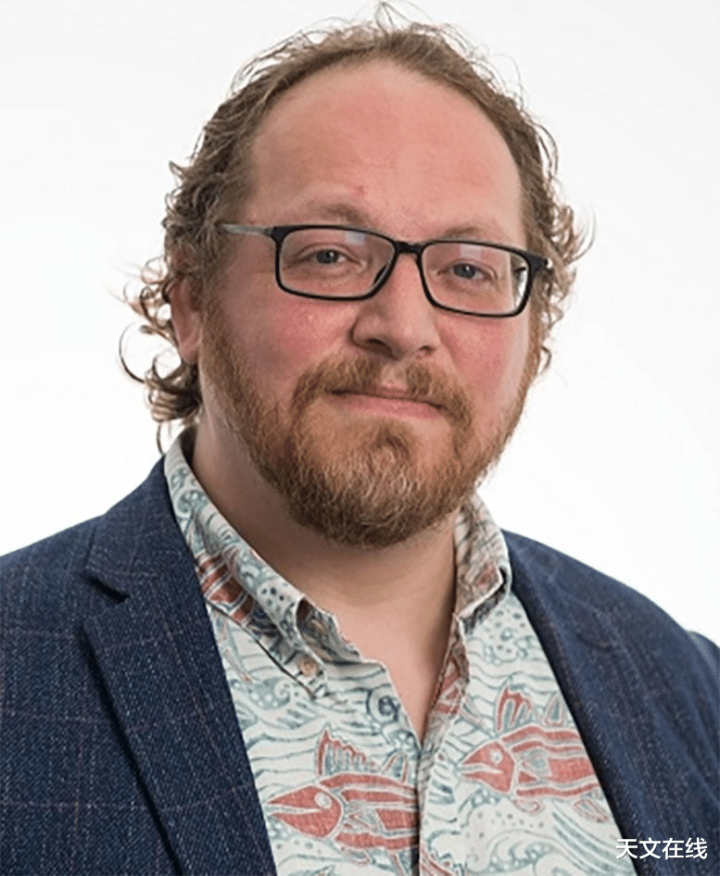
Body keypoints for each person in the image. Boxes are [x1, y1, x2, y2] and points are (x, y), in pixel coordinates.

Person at [0, 13, 717, 876]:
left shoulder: (686, 690)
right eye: (331, 256)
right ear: (192, 302)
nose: (403, 327)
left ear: (535, 324)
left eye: (468, 268)